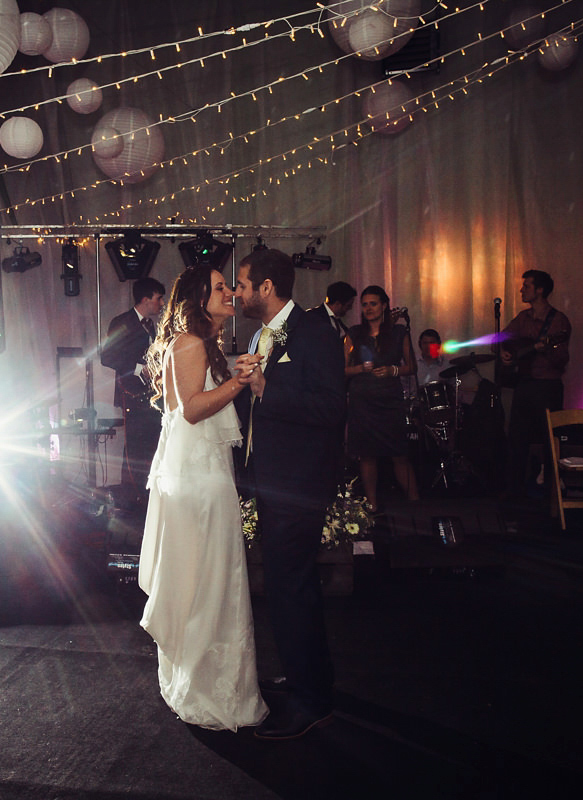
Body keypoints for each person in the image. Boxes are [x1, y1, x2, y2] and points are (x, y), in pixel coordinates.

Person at [137, 266, 266, 731]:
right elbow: (192, 409)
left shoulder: (195, 343)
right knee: (211, 582)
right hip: (199, 480)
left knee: (206, 582)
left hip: (199, 473)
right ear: (198, 298)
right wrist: (240, 383)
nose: (229, 292)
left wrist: (233, 372)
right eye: (219, 288)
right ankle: (210, 689)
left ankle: (202, 681)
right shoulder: (189, 343)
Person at [234, 248, 345, 740]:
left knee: (291, 585)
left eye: (242, 284)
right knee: (285, 584)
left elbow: (330, 408)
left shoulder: (317, 331)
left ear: (267, 287)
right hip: (272, 478)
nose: (237, 292)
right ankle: (308, 677)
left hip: (300, 482)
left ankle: (311, 701)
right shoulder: (261, 335)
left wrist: (265, 388)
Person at [344, 286, 421, 511]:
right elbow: (342, 369)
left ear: (384, 305)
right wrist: (359, 368)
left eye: (373, 304)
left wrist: (393, 371)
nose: (368, 308)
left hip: (389, 400)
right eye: (365, 304)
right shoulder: (354, 333)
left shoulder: (398, 333)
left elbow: (412, 367)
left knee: (399, 454)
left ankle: (416, 505)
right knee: (367, 455)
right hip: (362, 400)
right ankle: (372, 507)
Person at [498, 269, 572, 497]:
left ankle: (550, 491)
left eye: (527, 286)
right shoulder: (523, 318)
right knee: (516, 438)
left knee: (549, 441)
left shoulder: (558, 320)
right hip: (525, 384)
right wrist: (505, 352)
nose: (522, 289)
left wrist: (545, 350)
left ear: (540, 290)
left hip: (546, 386)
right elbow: (502, 338)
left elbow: (562, 360)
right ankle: (515, 491)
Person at [101, 277, 166, 498]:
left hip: (151, 396)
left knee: (150, 445)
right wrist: (139, 369)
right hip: (131, 394)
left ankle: (146, 494)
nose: (162, 303)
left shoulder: (150, 325)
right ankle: (132, 495)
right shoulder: (121, 322)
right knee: (134, 447)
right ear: (146, 299)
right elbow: (107, 356)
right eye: (159, 298)